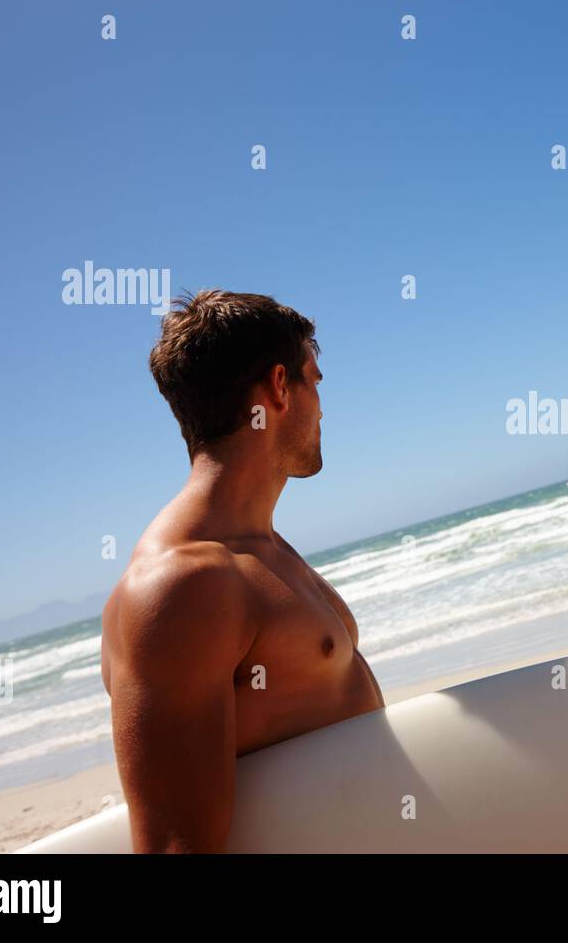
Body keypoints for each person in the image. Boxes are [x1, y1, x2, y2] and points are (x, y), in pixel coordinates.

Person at [100, 290, 384, 852]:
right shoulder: (185, 584)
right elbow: (174, 848)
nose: (323, 407)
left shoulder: (261, 550)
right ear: (280, 387)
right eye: (316, 382)